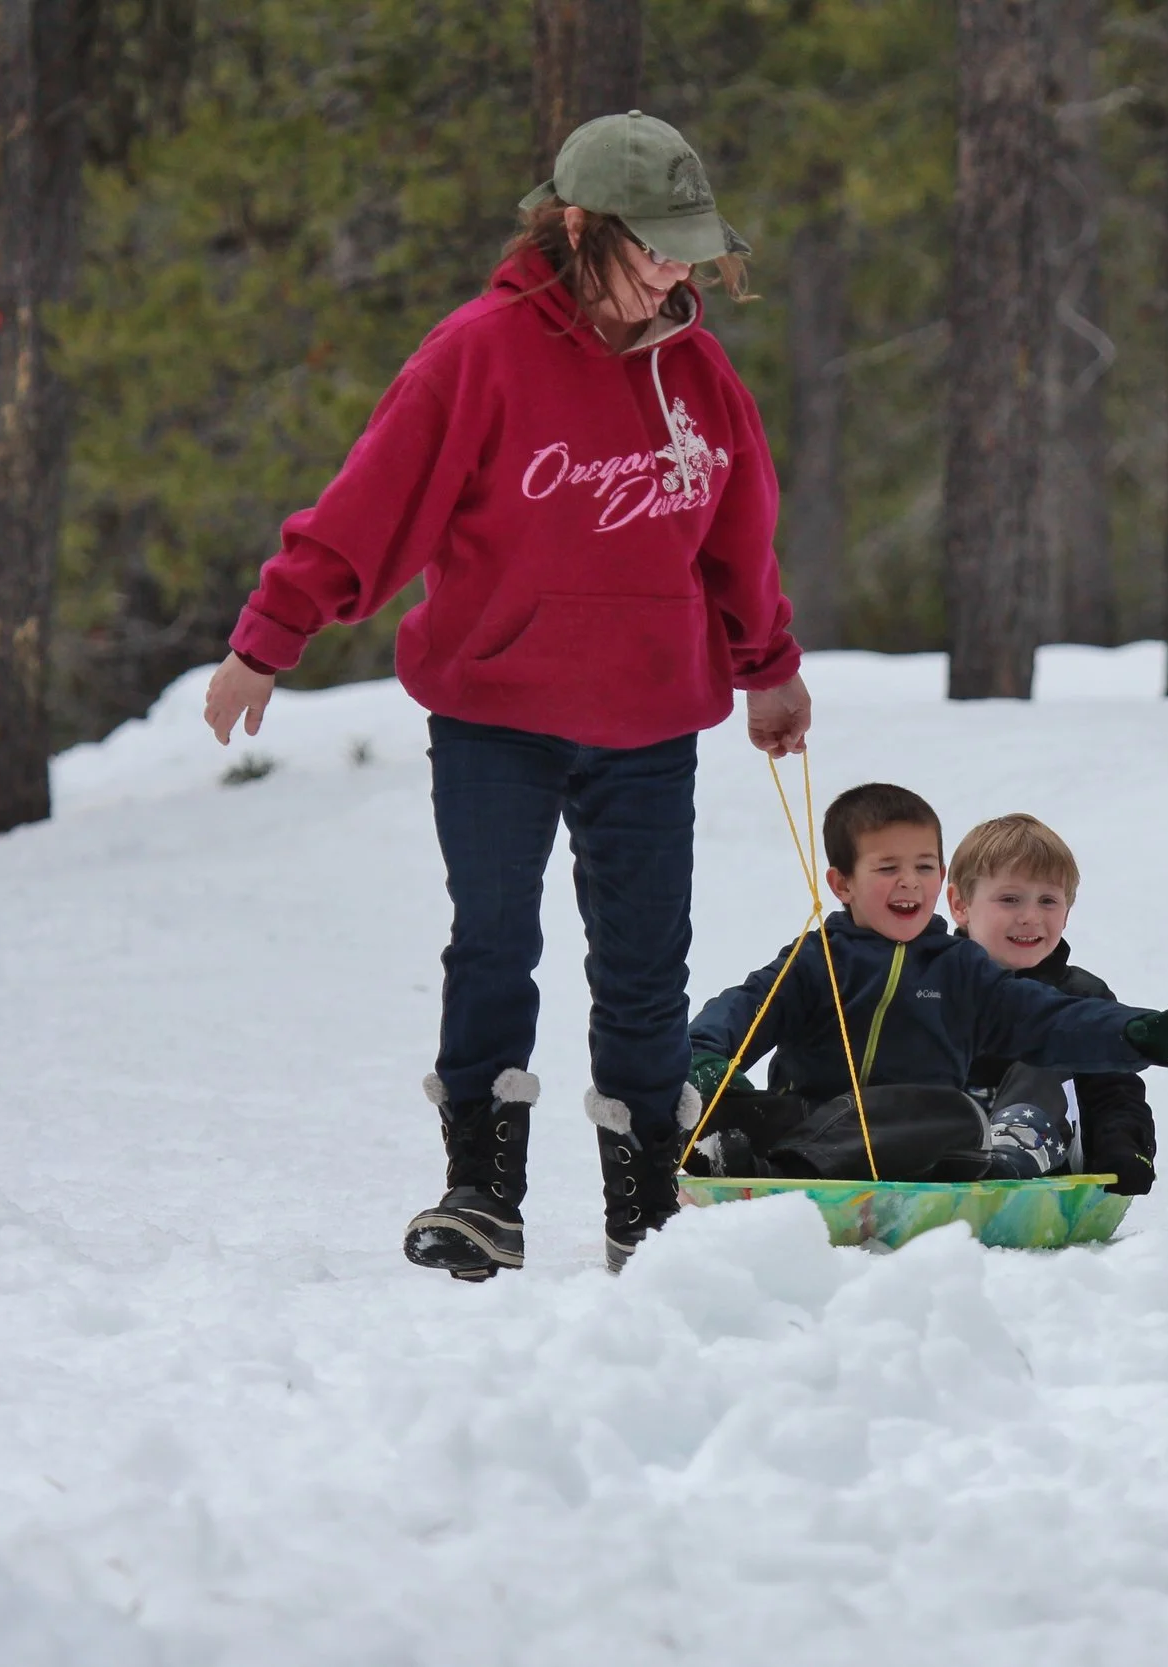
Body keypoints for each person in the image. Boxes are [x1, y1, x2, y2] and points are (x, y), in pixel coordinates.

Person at [201, 111, 813, 1277]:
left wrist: (767, 665)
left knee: (645, 965)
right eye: (653, 247)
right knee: (492, 941)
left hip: (648, 721)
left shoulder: (696, 367)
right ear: (578, 228)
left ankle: (645, 1204)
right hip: (496, 717)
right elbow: (371, 505)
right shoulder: (475, 354)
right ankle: (481, 1189)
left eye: (686, 247)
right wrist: (270, 635)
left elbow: (739, 533)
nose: (675, 271)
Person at [682, 783, 1168, 1180]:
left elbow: (1051, 1021)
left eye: (924, 867)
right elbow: (747, 1006)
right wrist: (706, 1055)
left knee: (954, 1113)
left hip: (915, 1133)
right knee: (714, 1097)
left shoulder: (961, 972)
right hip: (817, 1120)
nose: (909, 883)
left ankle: (773, 1169)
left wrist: (1132, 1034)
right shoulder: (816, 961)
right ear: (843, 884)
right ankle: (732, 1151)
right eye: (888, 868)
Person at [945, 813, 1157, 1193]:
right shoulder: (929, 986)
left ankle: (1013, 1148)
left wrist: (1124, 1150)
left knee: (1047, 1044)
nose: (1030, 917)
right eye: (1010, 899)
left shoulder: (1079, 996)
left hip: (1052, 1162)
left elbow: (1114, 1091)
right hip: (945, 1144)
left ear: (1067, 912)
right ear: (961, 905)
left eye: (1048, 901)